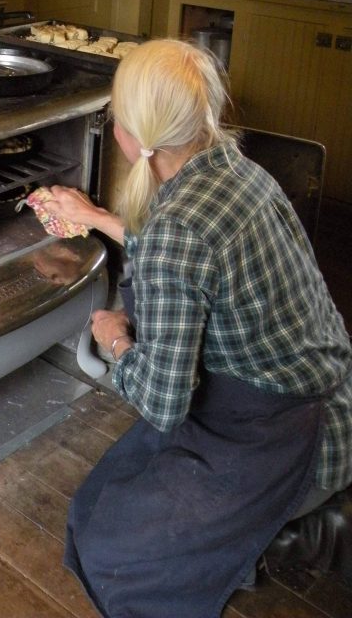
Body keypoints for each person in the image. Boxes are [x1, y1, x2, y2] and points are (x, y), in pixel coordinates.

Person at [41, 38, 352, 618]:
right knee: (125, 486)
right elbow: (186, 248)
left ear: (139, 137)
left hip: (289, 435)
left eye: (115, 117)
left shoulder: (176, 231)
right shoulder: (236, 168)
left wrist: (113, 338)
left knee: (107, 541)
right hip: (324, 388)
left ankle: (300, 531)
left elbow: (163, 403)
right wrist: (92, 217)